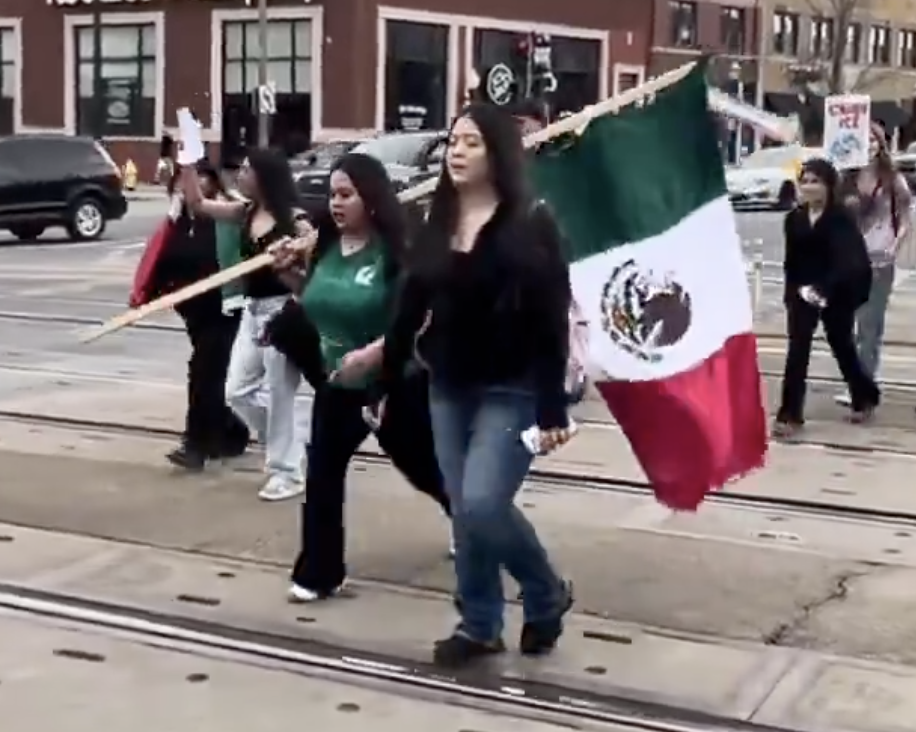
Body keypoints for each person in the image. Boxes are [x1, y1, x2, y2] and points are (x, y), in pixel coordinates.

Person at [375, 103, 575, 668]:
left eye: (471, 143)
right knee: (464, 511)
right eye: (452, 142)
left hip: (510, 389)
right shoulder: (435, 220)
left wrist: (552, 407)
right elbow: (408, 308)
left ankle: (545, 592)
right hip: (448, 386)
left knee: (485, 503)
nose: (455, 152)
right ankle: (481, 624)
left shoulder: (530, 224)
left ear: (499, 155)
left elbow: (550, 319)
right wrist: (386, 380)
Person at [264, 152, 452, 602]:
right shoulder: (327, 247)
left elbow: (415, 319)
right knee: (323, 474)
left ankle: (471, 518)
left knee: (424, 468)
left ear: (371, 197)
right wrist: (289, 277)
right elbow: (320, 299)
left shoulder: (396, 253)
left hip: (393, 383)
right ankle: (319, 572)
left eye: (346, 194)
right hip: (338, 384)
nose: (336, 203)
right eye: (332, 195)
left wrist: (372, 357)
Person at [181, 149, 309, 501]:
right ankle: (297, 440)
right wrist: (188, 161)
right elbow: (199, 204)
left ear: (266, 176)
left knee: (280, 395)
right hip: (253, 312)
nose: (240, 174)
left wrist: (295, 273)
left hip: (284, 313)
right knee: (236, 390)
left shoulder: (295, 221)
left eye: (248, 169)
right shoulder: (245, 212)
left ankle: (288, 472)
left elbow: (316, 274)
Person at [150, 160, 250, 469]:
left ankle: (194, 445)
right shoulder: (176, 219)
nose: (191, 184)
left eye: (200, 178)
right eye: (183, 178)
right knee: (208, 374)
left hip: (224, 307)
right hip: (193, 311)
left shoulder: (227, 211)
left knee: (204, 372)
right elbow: (160, 259)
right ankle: (230, 432)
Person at [774, 158, 879, 438]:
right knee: (798, 349)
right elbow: (791, 262)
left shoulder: (840, 218)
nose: (809, 187)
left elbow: (849, 260)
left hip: (836, 289)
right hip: (802, 291)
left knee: (841, 343)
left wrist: (825, 290)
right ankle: (790, 414)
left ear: (829, 186)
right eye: (805, 181)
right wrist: (792, 294)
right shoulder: (794, 219)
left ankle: (864, 395)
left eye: (815, 182)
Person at [835, 122, 912, 406]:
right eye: (862, 140)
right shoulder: (845, 180)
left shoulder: (893, 180)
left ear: (881, 145)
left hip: (880, 262)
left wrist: (894, 245)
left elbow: (905, 217)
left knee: (870, 325)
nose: (868, 146)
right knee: (848, 324)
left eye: (873, 141)